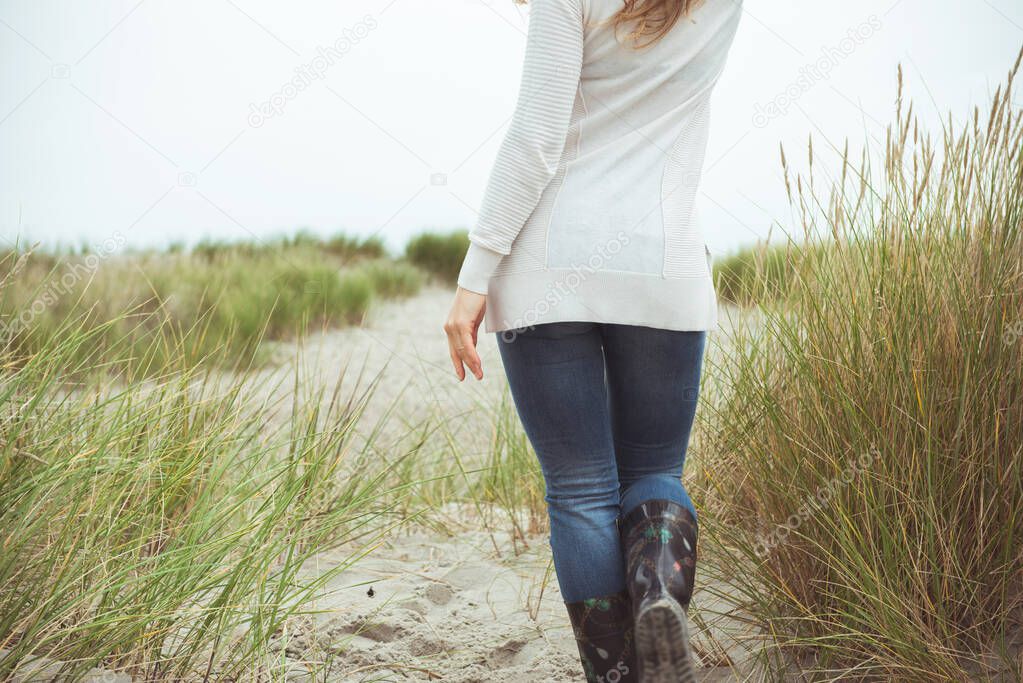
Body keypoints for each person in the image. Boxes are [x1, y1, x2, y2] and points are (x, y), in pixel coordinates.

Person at [443, 0, 741, 680]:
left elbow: (535, 137)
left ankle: (614, 673)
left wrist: (474, 274)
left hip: (548, 263)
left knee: (579, 489)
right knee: (655, 470)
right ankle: (659, 591)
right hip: (661, 265)